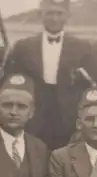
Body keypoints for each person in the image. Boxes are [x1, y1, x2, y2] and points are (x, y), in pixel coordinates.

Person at [6, 0, 90, 150]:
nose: (55, 18)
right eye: (50, 13)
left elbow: (88, 85)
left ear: (68, 16)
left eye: (59, 13)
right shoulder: (23, 47)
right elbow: (10, 81)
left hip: (66, 115)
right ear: (41, 15)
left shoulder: (83, 47)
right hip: (34, 112)